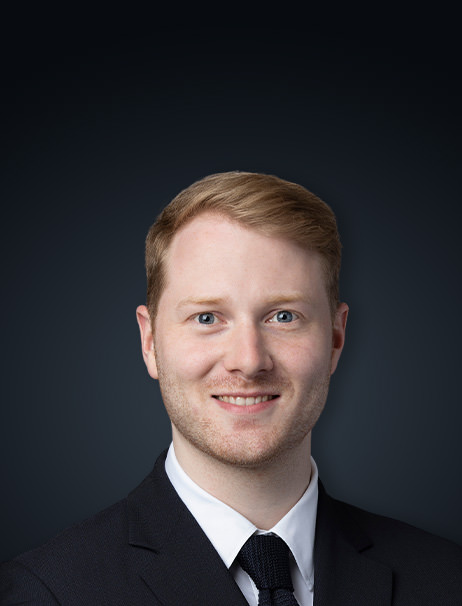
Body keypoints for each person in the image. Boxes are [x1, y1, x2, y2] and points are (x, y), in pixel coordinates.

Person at [1, 171, 461, 605]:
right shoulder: (47, 593)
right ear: (150, 342)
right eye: (207, 318)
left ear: (336, 338)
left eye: (284, 316)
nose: (249, 360)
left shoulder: (447, 580)